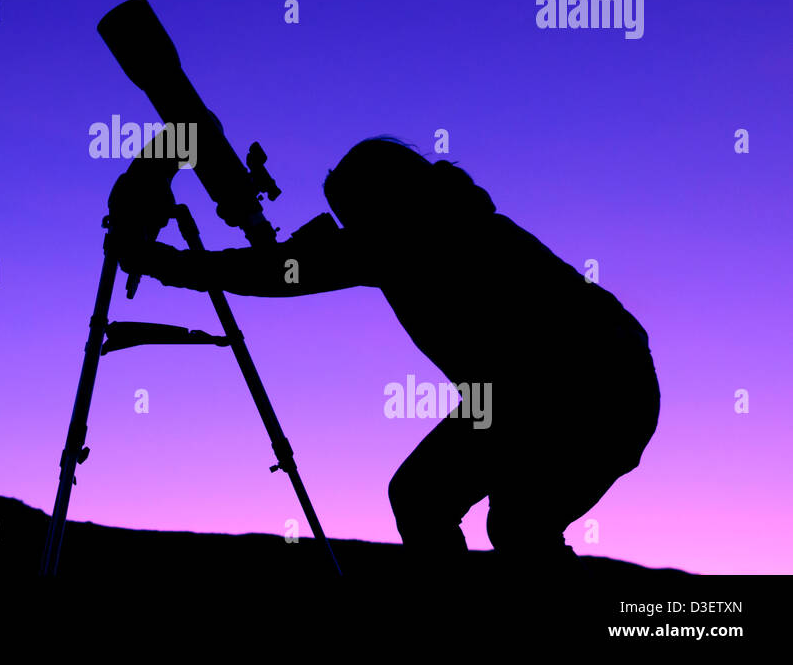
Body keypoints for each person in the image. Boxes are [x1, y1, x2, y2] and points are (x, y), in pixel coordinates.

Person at [114, 135, 660, 577]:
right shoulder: (451, 216)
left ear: (377, 199)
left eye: (348, 215)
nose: (347, 229)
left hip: (571, 385)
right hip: (604, 383)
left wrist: (159, 261)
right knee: (517, 523)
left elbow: (273, 273)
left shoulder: (405, 233)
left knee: (438, 502)